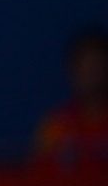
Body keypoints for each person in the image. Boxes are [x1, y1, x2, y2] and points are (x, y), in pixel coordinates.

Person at [35, 27, 108, 169]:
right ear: (72, 71)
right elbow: (39, 180)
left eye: (97, 65)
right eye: (86, 67)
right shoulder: (56, 126)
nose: (92, 74)